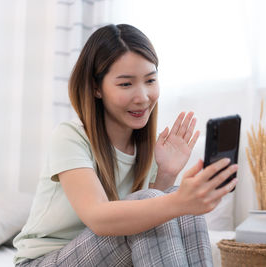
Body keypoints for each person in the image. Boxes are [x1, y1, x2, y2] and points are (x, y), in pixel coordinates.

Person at [13, 24, 238, 267]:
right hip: (43, 261)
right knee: (168, 202)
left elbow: (151, 223)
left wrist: (166, 174)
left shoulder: (149, 148)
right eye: (126, 84)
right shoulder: (70, 137)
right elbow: (98, 218)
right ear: (97, 88)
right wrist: (179, 201)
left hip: (106, 256)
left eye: (150, 80)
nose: (142, 96)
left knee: (174, 205)